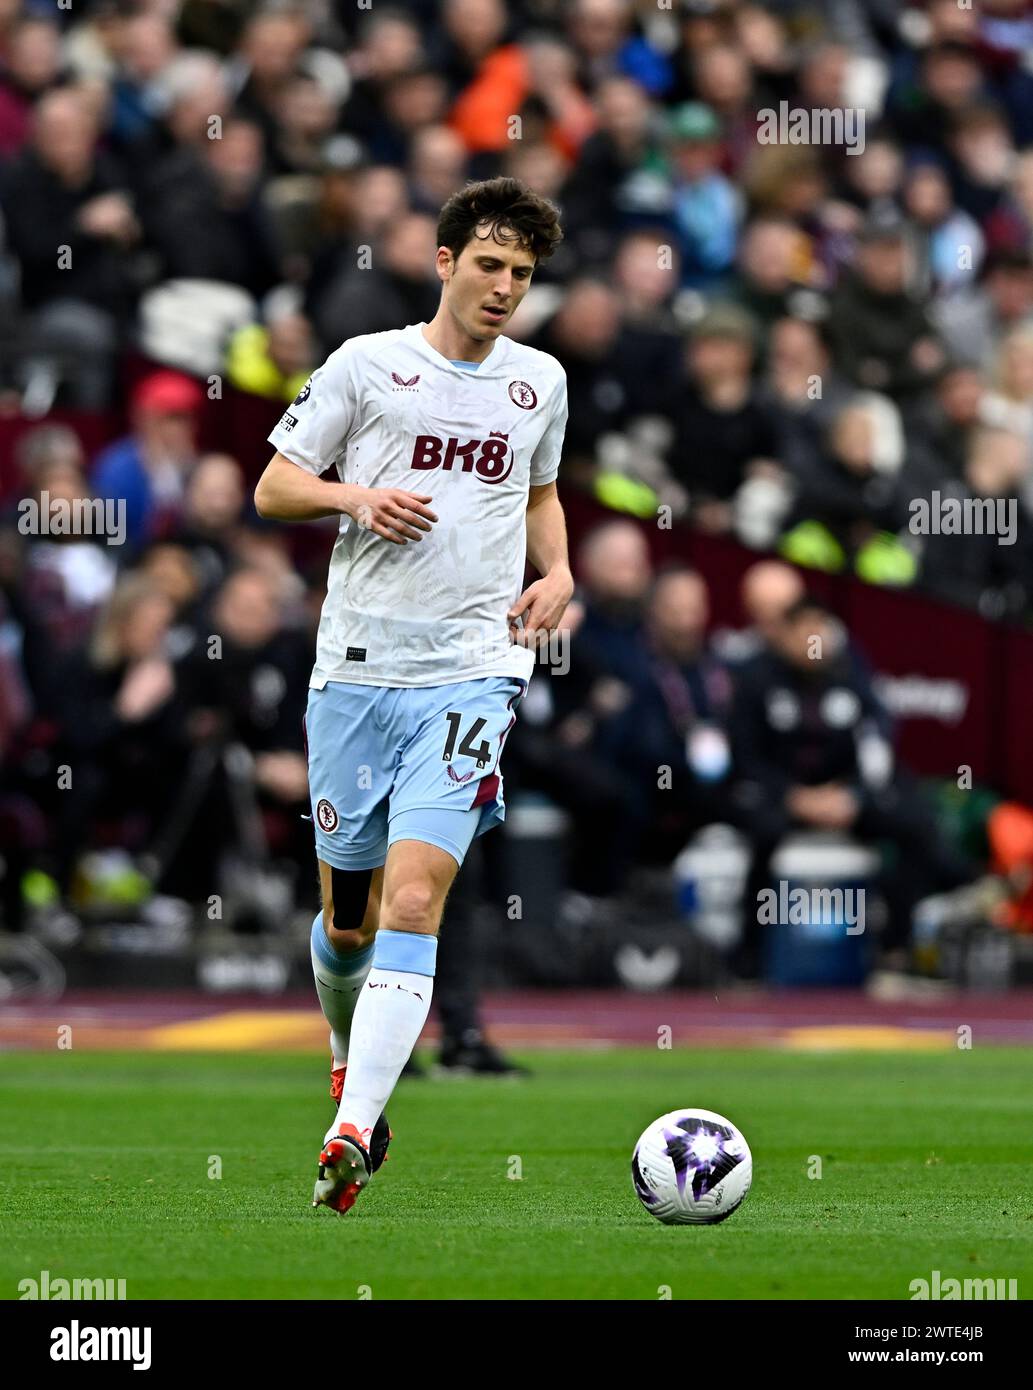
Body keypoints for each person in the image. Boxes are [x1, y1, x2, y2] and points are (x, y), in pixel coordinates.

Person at [254, 176, 570, 1214]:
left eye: (521, 273)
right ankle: (352, 1066)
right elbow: (274, 485)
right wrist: (354, 494)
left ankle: (351, 1130)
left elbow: (540, 489)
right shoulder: (367, 366)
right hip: (354, 672)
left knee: (417, 895)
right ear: (443, 261)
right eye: (488, 264)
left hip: (475, 670)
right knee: (345, 919)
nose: (504, 287)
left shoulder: (539, 382)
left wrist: (557, 571)